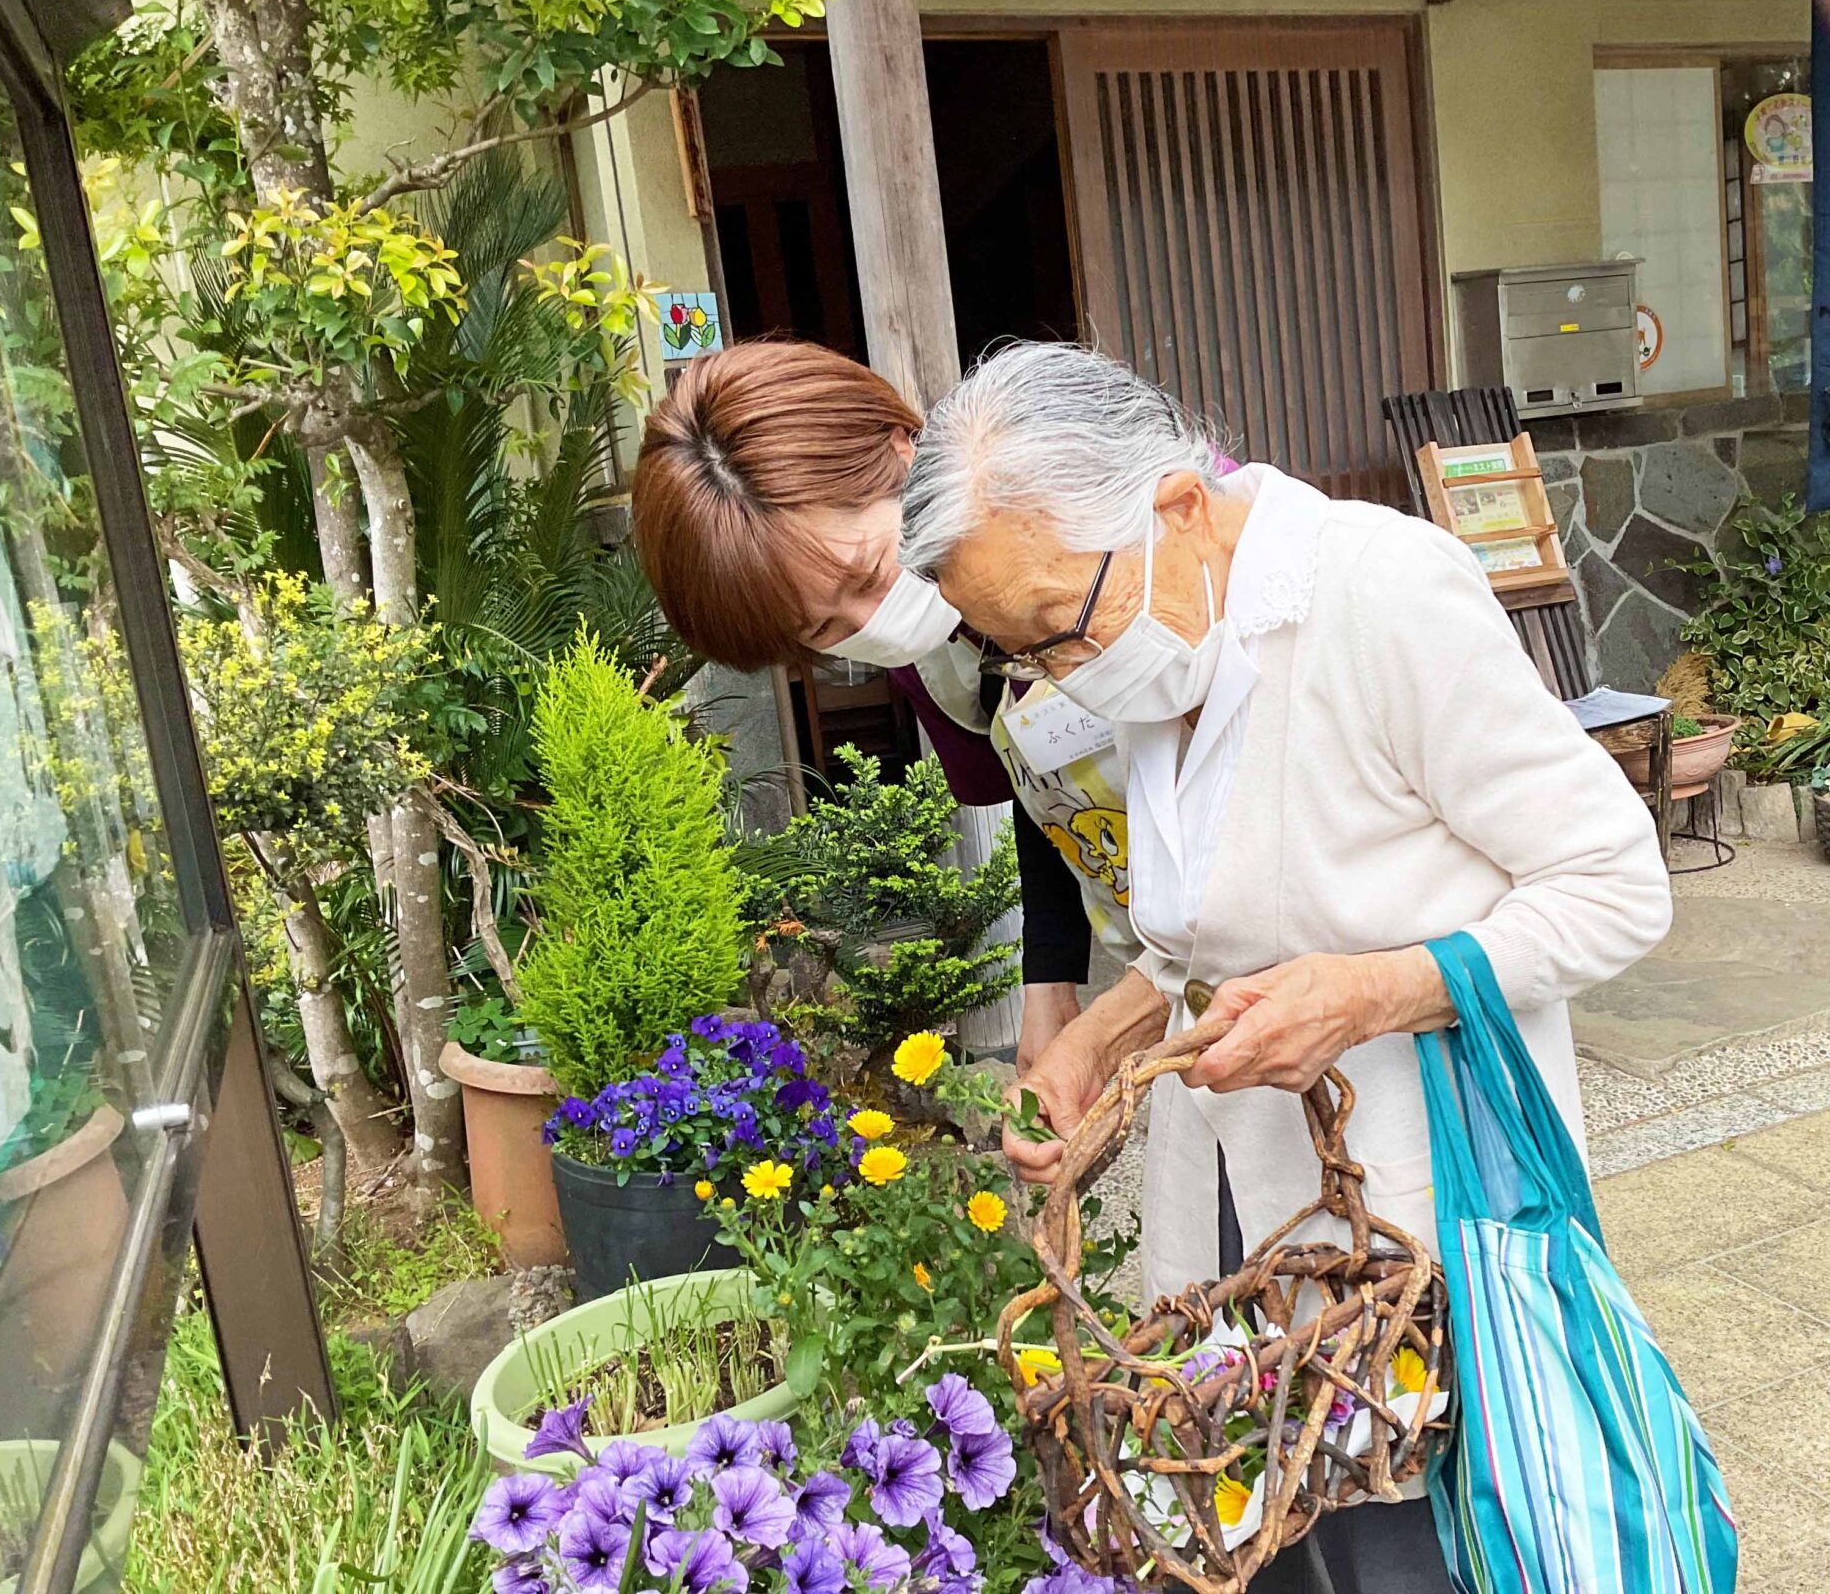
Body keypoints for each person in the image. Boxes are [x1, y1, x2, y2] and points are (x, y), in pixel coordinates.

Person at [897, 342, 1673, 1594]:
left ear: (1179, 508)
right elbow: (1203, 925)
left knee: (1408, 1540)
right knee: (1272, 1532)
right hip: (1232, 1199)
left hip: (1412, 1222)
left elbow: (1617, 884)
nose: (1056, 678)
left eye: (1054, 631)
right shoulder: (1162, 636)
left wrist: (1369, 990)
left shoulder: (1381, 597)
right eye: (1019, 654)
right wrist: (1100, 1037)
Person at [632, 339, 1162, 1066]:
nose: (871, 622)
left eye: (866, 573)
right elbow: (1043, 796)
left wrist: (1111, 1032)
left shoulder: (1112, 527)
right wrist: (1050, 985)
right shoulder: (930, 659)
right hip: (1170, 971)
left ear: (901, 451)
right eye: (821, 628)